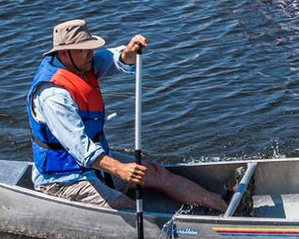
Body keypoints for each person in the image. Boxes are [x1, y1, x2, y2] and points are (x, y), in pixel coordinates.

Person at [27, 19, 228, 212]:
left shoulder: (82, 64)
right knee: (126, 206)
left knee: (156, 172)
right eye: (84, 49)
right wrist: (119, 169)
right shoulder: (53, 96)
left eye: (90, 47)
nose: (91, 53)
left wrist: (129, 51)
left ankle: (223, 205)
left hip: (95, 166)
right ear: (64, 53)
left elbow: (117, 59)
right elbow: (81, 149)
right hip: (63, 180)